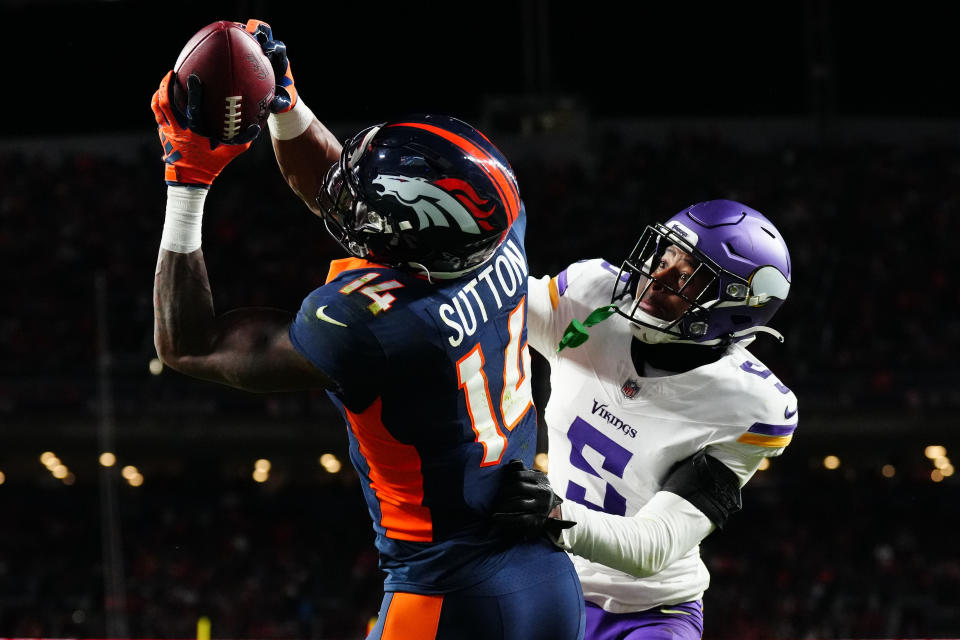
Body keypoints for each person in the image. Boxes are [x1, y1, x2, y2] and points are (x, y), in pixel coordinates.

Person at [150, 19, 584, 640]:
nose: (349, 200)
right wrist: (286, 108)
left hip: (445, 596)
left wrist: (186, 181)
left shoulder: (368, 324)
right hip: (544, 577)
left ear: (405, 244)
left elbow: (188, 345)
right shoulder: (498, 224)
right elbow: (346, 195)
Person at [492, 199, 796, 639]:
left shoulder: (749, 406)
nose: (658, 275)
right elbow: (488, 299)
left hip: (648, 612)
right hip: (544, 583)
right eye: (664, 255)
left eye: (687, 275)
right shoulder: (590, 297)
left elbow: (652, 547)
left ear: (733, 307)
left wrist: (552, 514)